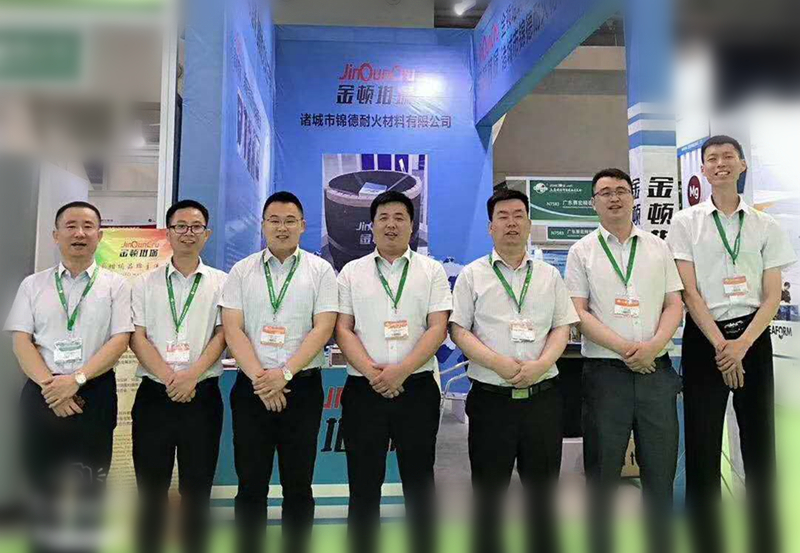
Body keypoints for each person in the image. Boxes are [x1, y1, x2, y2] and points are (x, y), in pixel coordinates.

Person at [666, 135, 797, 553]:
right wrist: (723, 344)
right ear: (702, 169)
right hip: (705, 339)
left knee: (759, 443)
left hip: (752, 339)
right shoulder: (685, 223)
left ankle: (765, 538)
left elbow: (772, 295)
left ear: (742, 165)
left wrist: (741, 346)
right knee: (702, 443)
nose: (720, 163)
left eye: (728, 157)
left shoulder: (765, 225)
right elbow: (689, 293)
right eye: (712, 158)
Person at [450, 188, 579, 553]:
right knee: (488, 496)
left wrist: (541, 365)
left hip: (542, 400)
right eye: (502, 216)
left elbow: (562, 326)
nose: (511, 223)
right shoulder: (472, 275)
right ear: (490, 227)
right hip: (491, 401)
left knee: (543, 497)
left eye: (518, 215)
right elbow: (459, 330)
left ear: (529, 223)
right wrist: (498, 363)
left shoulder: (549, 276)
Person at [565, 169, 684, 553]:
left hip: (655, 372)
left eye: (621, 191)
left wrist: (653, 346)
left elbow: (674, 303)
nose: (614, 198)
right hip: (606, 375)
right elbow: (578, 311)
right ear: (594, 203)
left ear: (633, 198)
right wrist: (626, 349)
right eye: (605, 193)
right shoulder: (581, 251)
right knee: (601, 470)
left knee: (660, 469)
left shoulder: (658, 247)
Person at [4, 201, 133, 553]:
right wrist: (52, 387)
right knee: (41, 484)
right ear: (56, 235)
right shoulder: (33, 285)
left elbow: (120, 340)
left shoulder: (116, 286)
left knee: (91, 484)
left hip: (94, 392)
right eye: (71, 225)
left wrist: (74, 381)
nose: (80, 233)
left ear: (99, 235)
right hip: (42, 392)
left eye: (88, 226)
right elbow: (21, 341)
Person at [221, 191, 338, 553]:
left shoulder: (320, 271)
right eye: (274, 220)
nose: (282, 227)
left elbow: (323, 328)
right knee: (250, 484)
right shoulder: (242, 271)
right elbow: (232, 329)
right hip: (252, 390)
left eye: (290, 221)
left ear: (303, 226)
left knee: (298, 484)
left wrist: (283, 375)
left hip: (301, 389)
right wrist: (262, 379)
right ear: (263, 226)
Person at [335, 190, 452, 553]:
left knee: (419, 481)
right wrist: (375, 373)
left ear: (412, 225)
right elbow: (343, 329)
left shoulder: (431, 271)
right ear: (371, 225)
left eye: (399, 217)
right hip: (364, 389)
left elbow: (438, 327)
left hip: (416, 388)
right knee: (363, 482)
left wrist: (401, 370)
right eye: (383, 217)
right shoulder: (352, 272)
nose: (391, 224)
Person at [130, 200, 227, 553]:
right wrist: (171, 377)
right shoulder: (143, 283)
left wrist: (191, 377)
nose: (188, 233)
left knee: (197, 490)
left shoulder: (222, 283)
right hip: (155, 396)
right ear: (168, 232)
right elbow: (137, 336)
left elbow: (223, 334)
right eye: (180, 226)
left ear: (207, 233)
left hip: (203, 396)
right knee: (150, 490)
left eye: (196, 226)